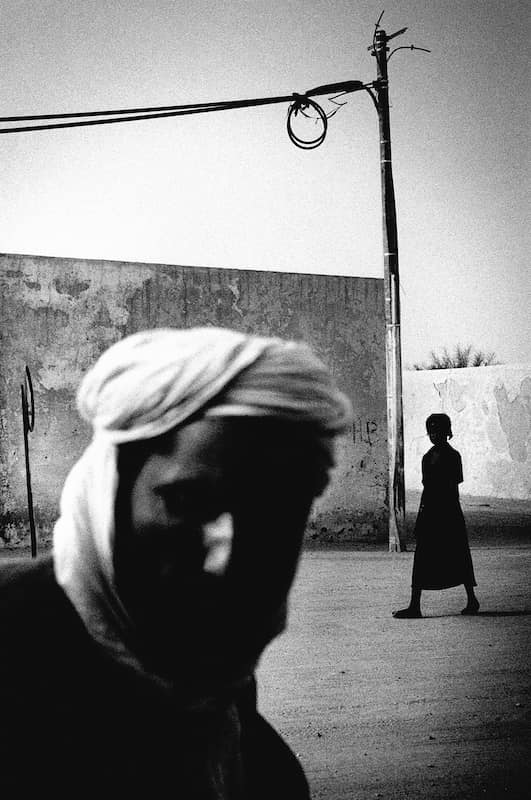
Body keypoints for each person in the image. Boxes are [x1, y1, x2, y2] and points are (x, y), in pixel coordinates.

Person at [0, 326, 352, 799]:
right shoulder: (15, 646)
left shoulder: (220, 700)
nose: (227, 557)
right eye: (188, 501)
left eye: (274, 514)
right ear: (114, 489)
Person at [393, 413, 479, 619]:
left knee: (453, 555)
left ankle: (469, 599)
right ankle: (417, 604)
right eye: (430, 430)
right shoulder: (429, 457)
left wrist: (434, 511)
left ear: (446, 432)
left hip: (446, 511)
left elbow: (451, 487)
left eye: (437, 430)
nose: (433, 434)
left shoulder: (451, 456)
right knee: (432, 557)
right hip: (434, 511)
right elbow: (428, 488)